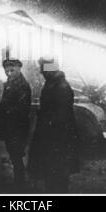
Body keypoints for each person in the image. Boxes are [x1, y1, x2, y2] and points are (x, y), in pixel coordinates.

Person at [28, 56, 79, 193]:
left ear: (50, 69)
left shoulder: (60, 86)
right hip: (54, 136)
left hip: (56, 138)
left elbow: (60, 116)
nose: (41, 72)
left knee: (57, 173)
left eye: (43, 69)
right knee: (53, 173)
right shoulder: (54, 84)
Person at [0, 58, 31, 191]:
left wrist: (5, 109)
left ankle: (20, 184)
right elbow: (3, 103)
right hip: (10, 126)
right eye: (7, 70)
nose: (9, 73)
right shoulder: (9, 83)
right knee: (13, 154)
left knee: (16, 155)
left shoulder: (22, 86)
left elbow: (22, 108)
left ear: (19, 69)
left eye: (12, 70)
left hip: (17, 127)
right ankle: (18, 181)